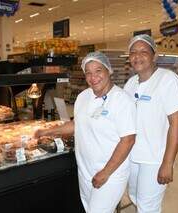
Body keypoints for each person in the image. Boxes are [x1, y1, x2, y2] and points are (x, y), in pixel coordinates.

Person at [35, 51, 136, 213]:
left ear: (108, 71)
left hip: (110, 174)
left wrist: (105, 172)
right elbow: (76, 125)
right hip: (85, 170)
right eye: (88, 72)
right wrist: (46, 132)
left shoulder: (122, 101)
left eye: (98, 70)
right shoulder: (83, 97)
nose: (92, 76)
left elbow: (128, 140)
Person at [123, 34, 178, 213]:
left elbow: (177, 123)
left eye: (143, 51)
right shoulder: (130, 84)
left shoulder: (167, 80)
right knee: (134, 196)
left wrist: (167, 163)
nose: (137, 56)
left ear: (154, 56)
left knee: (147, 207)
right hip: (133, 155)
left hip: (155, 158)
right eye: (133, 52)